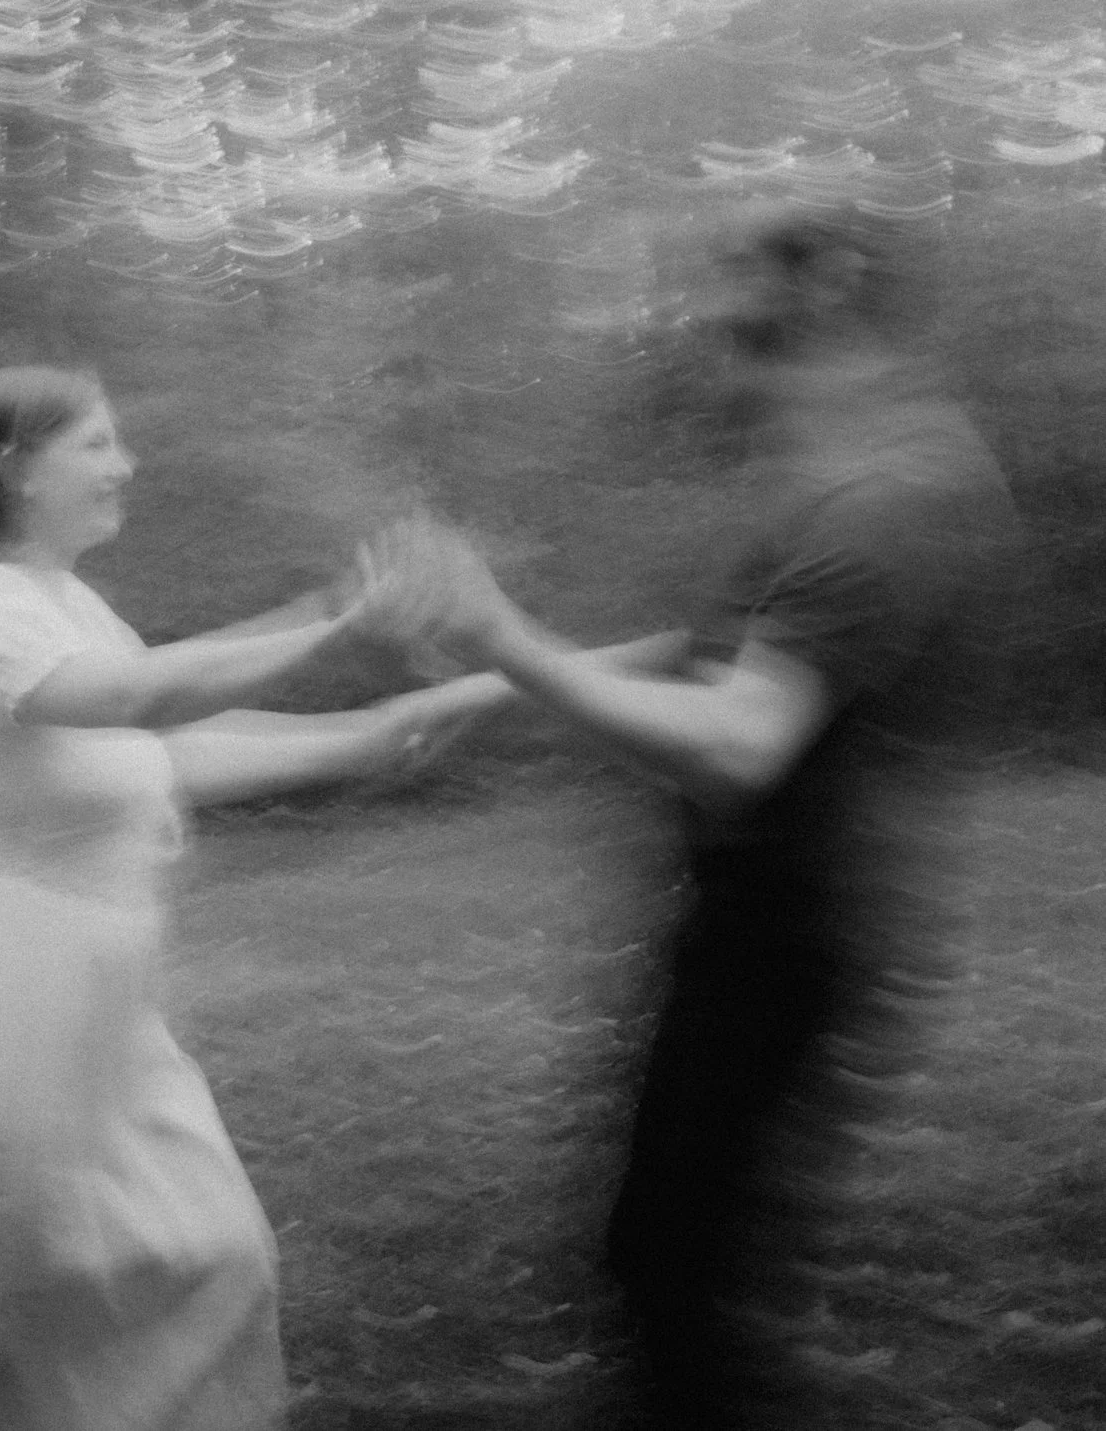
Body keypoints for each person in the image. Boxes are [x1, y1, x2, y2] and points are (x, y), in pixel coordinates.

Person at [0, 365, 522, 1431]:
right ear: (14, 469)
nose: (121, 463)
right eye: (94, 443)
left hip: (97, 999)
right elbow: (136, 697)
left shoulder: (67, 601)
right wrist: (335, 629)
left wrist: (362, 735)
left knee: (207, 1251)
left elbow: (157, 746)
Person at [358, 206, 1023, 1429]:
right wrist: (488, 678)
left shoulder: (890, 495)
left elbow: (738, 741)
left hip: (796, 927)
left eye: (733, 317)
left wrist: (507, 631)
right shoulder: (839, 477)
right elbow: (718, 651)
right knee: (658, 1252)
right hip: (751, 915)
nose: (714, 347)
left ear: (823, 296)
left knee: (680, 1275)